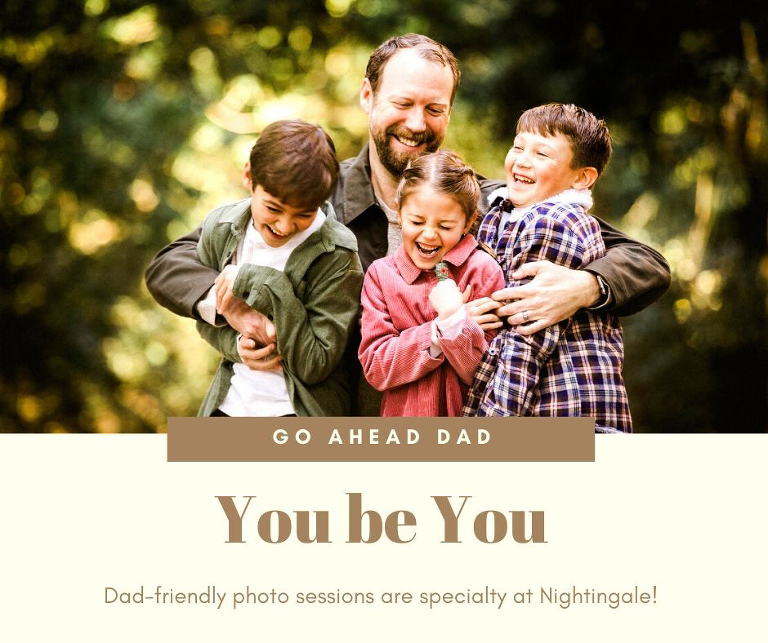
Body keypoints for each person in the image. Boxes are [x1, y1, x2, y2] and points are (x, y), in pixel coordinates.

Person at [145, 34, 670, 415]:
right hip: (322, 425)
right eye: (403, 103)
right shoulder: (311, 200)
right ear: (368, 97)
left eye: (434, 108)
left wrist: (584, 286)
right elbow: (173, 262)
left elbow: (643, 261)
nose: (418, 123)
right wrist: (232, 314)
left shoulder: (489, 201)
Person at [463, 103, 632, 432]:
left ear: (581, 178)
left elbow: (525, 340)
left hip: (565, 407)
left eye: (542, 154)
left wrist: (491, 425)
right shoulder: (508, 210)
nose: (522, 160)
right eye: (518, 146)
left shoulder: (555, 223)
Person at [193, 119, 363, 417]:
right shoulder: (220, 227)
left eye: (304, 214)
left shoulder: (336, 254)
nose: (285, 226)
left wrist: (259, 281)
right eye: (273, 208)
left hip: (298, 411)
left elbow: (315, 363)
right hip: (230, 405)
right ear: (249, 176)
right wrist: (237, 346)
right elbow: (207, 317)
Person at [358, 151, 505, 416]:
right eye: (417, 221)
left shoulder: (484, 271)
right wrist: (440, 329)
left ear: (468, 222)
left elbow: (488, 376)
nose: (428, 234)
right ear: (399, 213)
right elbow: (376, 368)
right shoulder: (381, 276)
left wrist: (456, 323)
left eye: (445, 226)